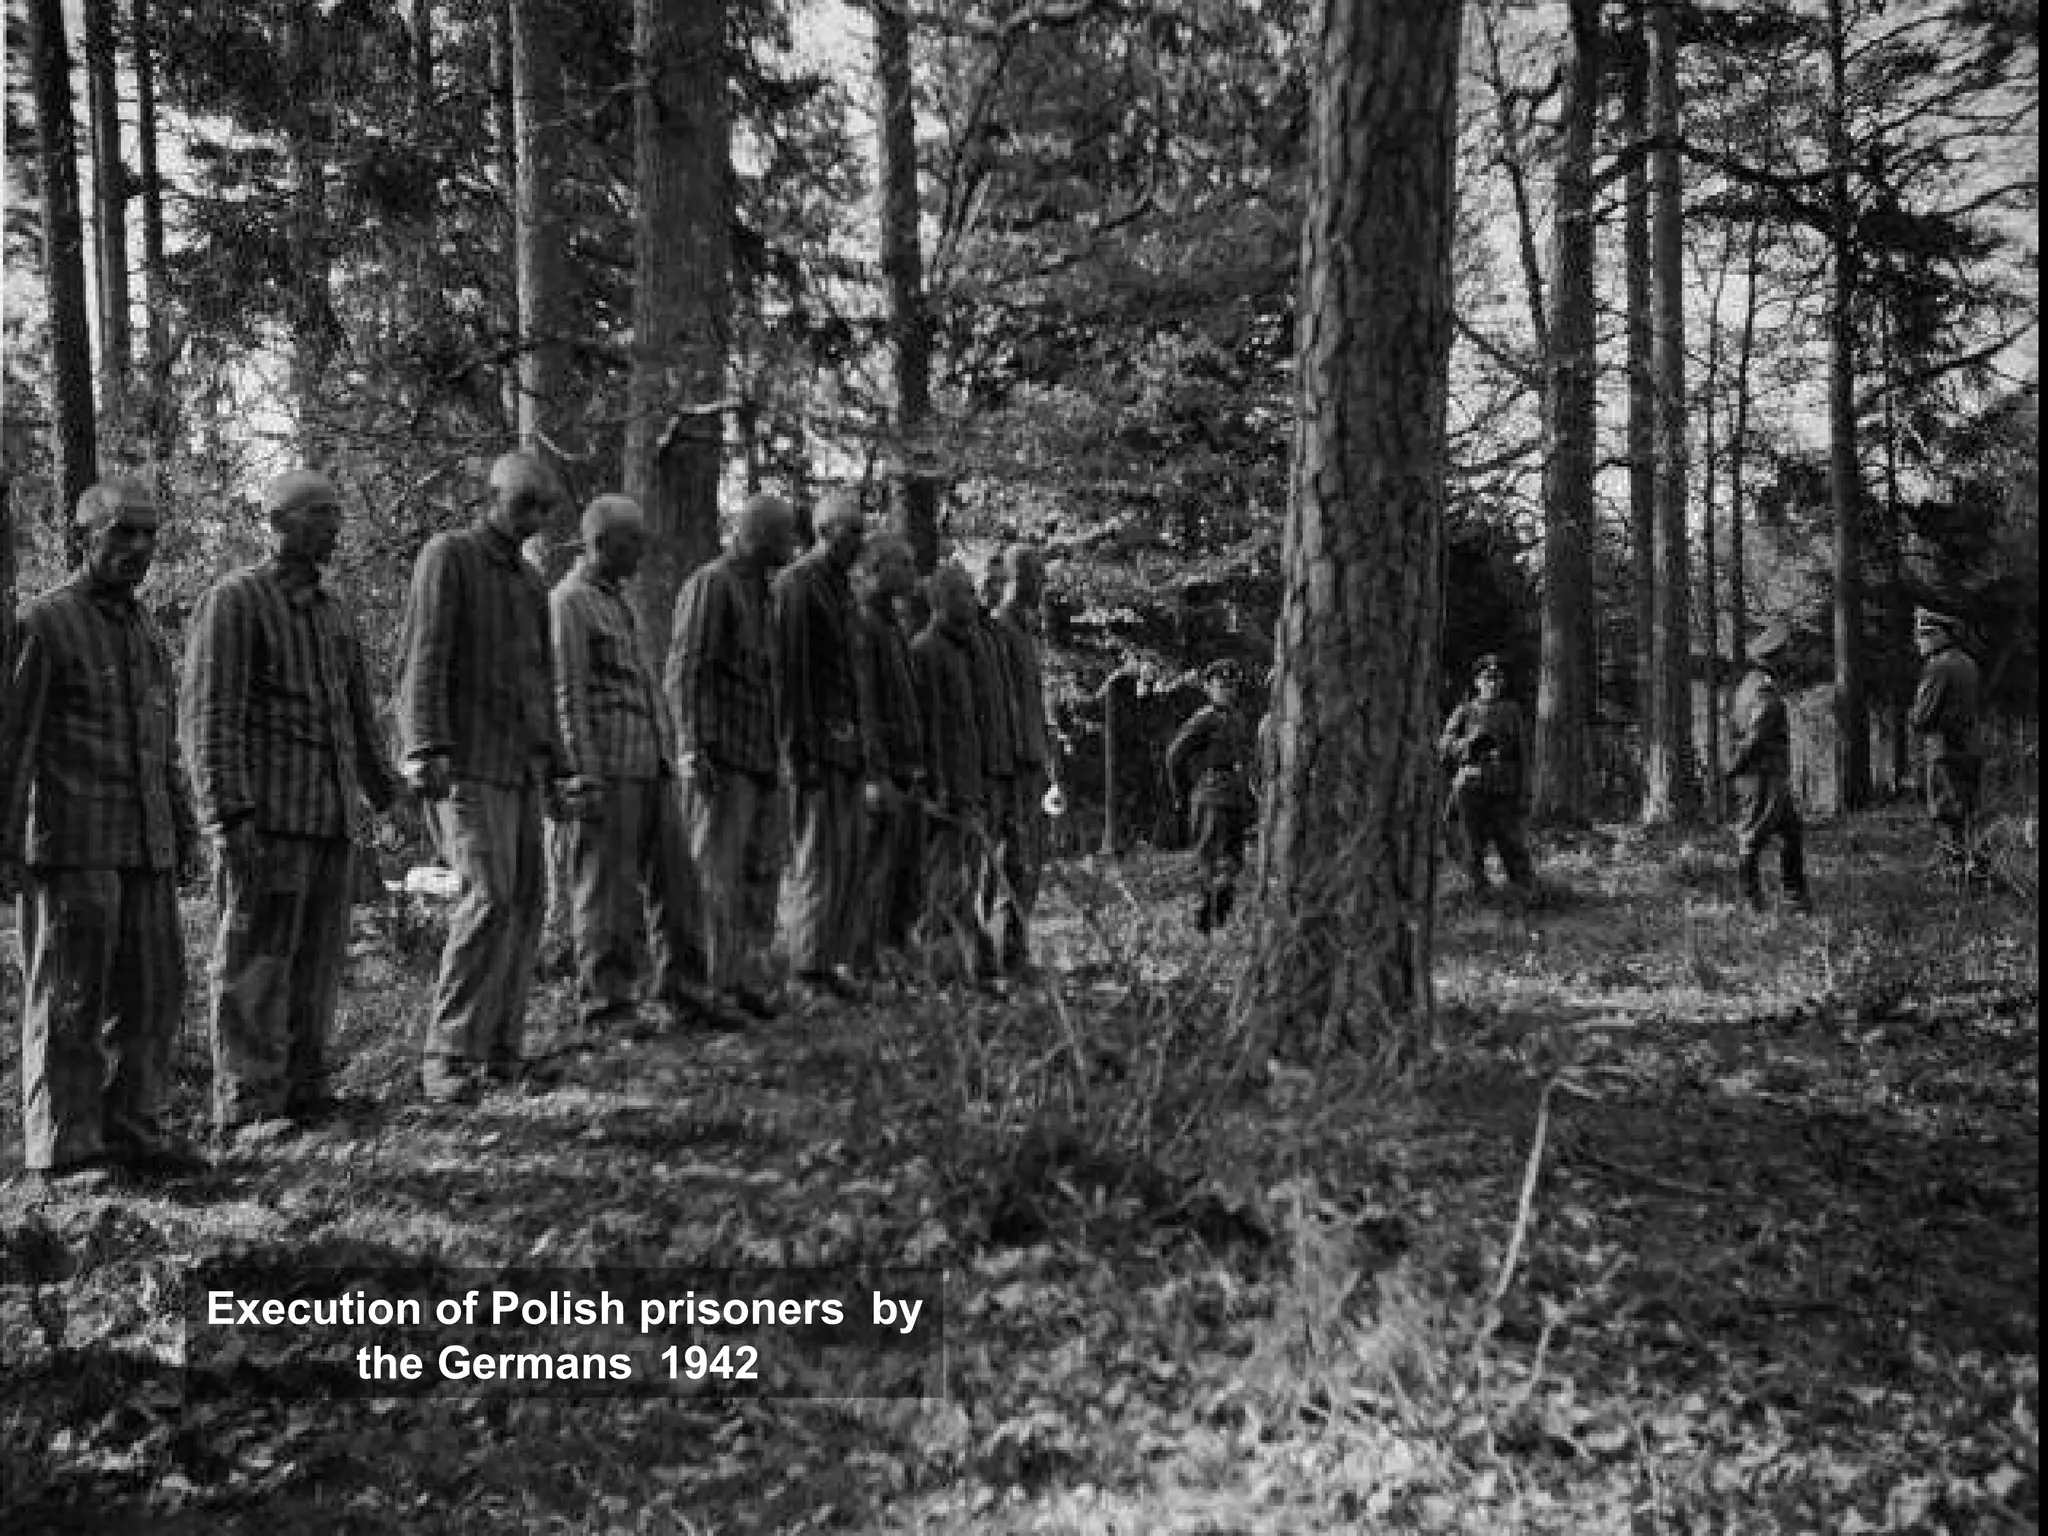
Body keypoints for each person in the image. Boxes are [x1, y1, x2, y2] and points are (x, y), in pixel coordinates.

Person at [181, 470, 407, 1144]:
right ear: (277, 522)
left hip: (331, 817)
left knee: (317, 960)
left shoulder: (334, 611)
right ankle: (248, 1104)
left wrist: (386, 797)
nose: (335, 526)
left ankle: (306, 1091)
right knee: (256, 960)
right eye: (320, 513)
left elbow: (358, 716)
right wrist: (226, 815)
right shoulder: (236, 601)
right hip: (266, 820)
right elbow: (210, 715)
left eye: (337, 513)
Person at [0, 480, 205, 1186]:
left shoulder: (147, 631)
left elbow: (164, 743)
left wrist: (183, 832)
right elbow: (12, 744)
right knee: (69, 996)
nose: (139, 548)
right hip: (70, 843)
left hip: (145, 845)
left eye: (149, 535)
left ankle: (133, 1133)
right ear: (84, 535)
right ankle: (62, 1151)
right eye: (123, 533)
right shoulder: (44, 621)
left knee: (153, 992)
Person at [397, 451, 565, 1104]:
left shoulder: (529, 584)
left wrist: (558, 767)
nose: (535, 517)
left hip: (520, 768)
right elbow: (423, 654)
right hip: (463, 765)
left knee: (527, 903)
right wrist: (424, 748)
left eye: (545, 507)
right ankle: (447, 1056)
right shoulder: (449, 556)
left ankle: (500, 1051)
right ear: (492, 498)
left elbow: (540, 684)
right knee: (487, 895)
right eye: (525, 503)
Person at [550, 495, 705, 1029]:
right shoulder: (568, 602)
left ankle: (684, 993)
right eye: (632, 540)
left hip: (652, 767)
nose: (641, 550)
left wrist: (669, 753)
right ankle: (607, 1004)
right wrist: (583, 774)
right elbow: (566, 693)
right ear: (601, 542)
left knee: (678, 887)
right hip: (609, 772)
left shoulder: (620, 603)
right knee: (606, 894)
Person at [666, 492, 795, 1023]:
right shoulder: (711, 585)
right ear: (756, 535)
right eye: (783, 535)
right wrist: (692, 746)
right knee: (715, 875)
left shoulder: (762, 595)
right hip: (722, 763)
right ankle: (710, 988)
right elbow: (687, 670)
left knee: (758, 875)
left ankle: (743, 979)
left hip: (761, 758)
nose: (790, 546)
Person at [773, 492, 870, 1002]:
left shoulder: (842, 590)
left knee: (846, 857)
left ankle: (831, 959)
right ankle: (806, 968)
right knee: (815, 859)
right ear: (826, 531)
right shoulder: (798, 585)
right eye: (852, 531)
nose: (860, 542)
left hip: (848, 750)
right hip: (814, 750)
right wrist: (798, 751)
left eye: (860, 531)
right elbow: (792, 674)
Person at [850, 533, 927, 973]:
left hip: (906, 769)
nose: (913, 573)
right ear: (879, 568)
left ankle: (894, 954)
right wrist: (874, 773)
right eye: (905, 564)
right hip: (883, 772)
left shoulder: (893, 625)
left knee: (904, 872)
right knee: (876, 872)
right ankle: (867, 959)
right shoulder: (865, 623)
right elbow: (866, 703)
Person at [909, 564, 987, 978]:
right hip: (945, 794)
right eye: (964, 594)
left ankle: (958, 970)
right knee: (940, 886)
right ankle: (934, 972)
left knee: (966, 883)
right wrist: (937, 788)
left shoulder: (965, 651)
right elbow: (930, 727)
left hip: (969, 787)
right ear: (941, 601)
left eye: (973, 593)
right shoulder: (926, 650)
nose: (973, 601)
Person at [991, 544, 1052, 976]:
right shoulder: (999, 631)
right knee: (1010, 859)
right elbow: (1004, 704)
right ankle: (1002, 952)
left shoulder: (1028, 632)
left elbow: (1033, 704)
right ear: (1017, 577)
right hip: (1011, 764)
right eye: (1036, 575)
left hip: (1031, 760)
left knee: (1030, 859)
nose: (1042, 584)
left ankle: (1017, 948)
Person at [1165, 659, 1257, 933]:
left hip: (1235, 798)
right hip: (1211, 798)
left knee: (1233, 863)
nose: (1227, 690)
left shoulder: (1238, 719)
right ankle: (1205, 926)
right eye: (1221, 685)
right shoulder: (1203, 719)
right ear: (1208, 687)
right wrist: (1180, 795)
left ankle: (1221, 922)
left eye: (1232, 685)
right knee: (1211, 863)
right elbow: (1174, 756)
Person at [1725, 621, 1811, 914]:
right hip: (1763, 774)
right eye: (1785, 652)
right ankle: (1749, 899)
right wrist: (1733, 769)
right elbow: (1756, 737)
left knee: (1791, 833)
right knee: (1753, 834)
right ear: (1774, 656)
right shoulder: (1763, 690)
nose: (1789, 657)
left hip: (1768, 774)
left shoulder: (1751, 683)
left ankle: (1794, 896)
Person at [1437, 654, 1535, 894]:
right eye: (1487, 678)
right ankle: (1476, 890)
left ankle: (1525, 890)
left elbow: (1522, 753)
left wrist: (1524, 790)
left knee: (1511, 841)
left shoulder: (1512, 711)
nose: (1493, 683)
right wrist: (1469, 743)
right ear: (1477, 682)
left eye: (1498, 679)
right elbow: (1444, 746)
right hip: (1470, 784)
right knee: (1472, 843)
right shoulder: (1464, 711)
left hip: (1504, 785)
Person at [964, 573, 1019, 974]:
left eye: (999, 584)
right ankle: (977, 954)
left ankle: (1000, 952)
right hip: (976, 767)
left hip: (1003, 763)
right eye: (985, 585)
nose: (992, 593)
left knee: (1002, 862)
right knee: (976, 864)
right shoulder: (967, 638)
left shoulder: (999, 636)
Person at [1909, 605, 1982, 874]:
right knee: (1969, 810)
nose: (1918, 642)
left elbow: (1921, 717)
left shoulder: (1937, 667)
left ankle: (1955, 871)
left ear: (1938, 636)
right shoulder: (1967, 662)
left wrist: (1913, 715)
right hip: (1971, 748)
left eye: (1923, 635)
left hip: (1944, 749)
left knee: (1945, 811)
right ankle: (1975, 866)